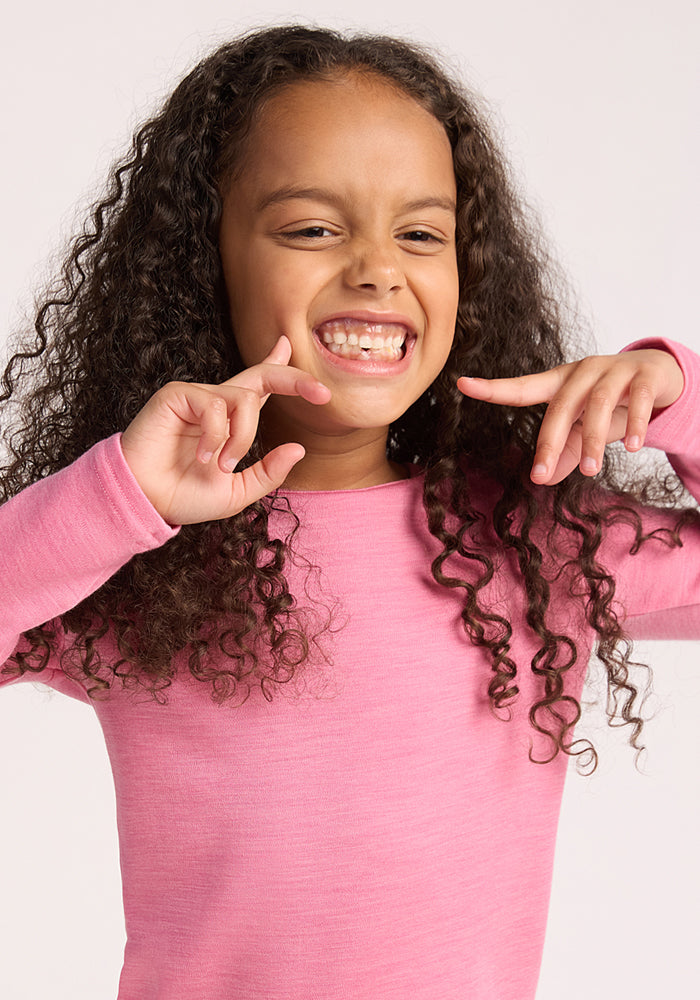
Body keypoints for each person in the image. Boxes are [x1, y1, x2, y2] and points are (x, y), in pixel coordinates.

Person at [1, 24, 698, 1000]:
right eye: (312, 228)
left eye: (420, 233)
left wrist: (676, 394)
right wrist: (120, 494)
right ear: (209, 263)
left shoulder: (537, 540)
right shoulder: (140, 562)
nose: (377, 267)